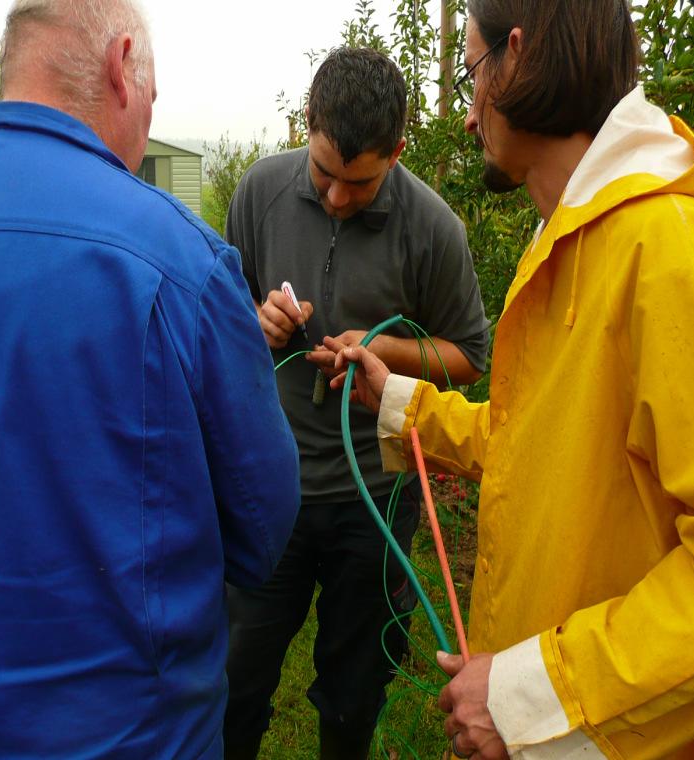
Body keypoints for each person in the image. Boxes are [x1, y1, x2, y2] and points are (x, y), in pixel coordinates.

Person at [0, 0, 300, 757]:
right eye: (152, 93)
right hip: (149, 735)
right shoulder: (181, 264)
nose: (148, 117)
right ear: (121, 66)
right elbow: (263, 518)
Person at [334, 2, 694, 758]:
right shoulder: (571, 239)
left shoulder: (669, 249)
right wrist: (397, 399)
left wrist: (533, 693)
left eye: (468, 75)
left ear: (515, 58)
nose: (466, 118)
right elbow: (541, 448)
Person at [223, 47, 491, 759]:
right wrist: (254, 320)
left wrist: (388, 355)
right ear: (307, 124)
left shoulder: (433, 229)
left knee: (352, 690)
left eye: (360, 182)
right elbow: (218, 315)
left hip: (374, 494)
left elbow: (467, 356)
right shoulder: (259, 192)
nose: (338, 197)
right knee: (235, 676)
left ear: (397, 151)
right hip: (270, 485)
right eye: (324, 175)